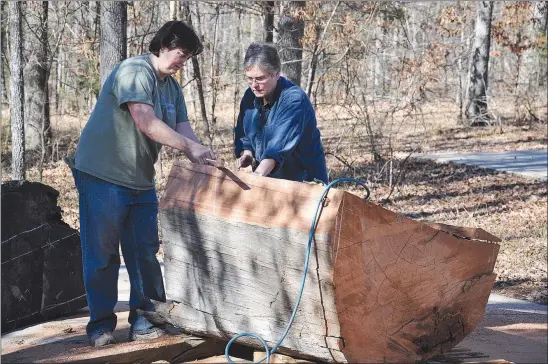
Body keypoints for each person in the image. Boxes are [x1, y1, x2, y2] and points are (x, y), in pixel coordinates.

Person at [71, 21, 216, 347]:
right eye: (181, 54)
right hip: (102, 175)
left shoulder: (172, 88)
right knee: (102, 253)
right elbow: (145, 121)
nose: (183, 61)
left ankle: (145, 323)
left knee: (145, 253)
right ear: (164, 45)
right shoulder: (135, 71)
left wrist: (201, 155)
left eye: (188, 57)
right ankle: (100, 326)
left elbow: (183, 129)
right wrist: (187, 146)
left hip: (140, 180)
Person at [234, 42, 328, 184]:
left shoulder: (293, 100)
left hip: (304, 184)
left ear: (277, 74)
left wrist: (257, 177)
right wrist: (247, 154)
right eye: (249, 79)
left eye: (260, 78)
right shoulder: (250, 96)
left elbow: (277, 149)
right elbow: (244, 135)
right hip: (267, 181)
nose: (254, 85)